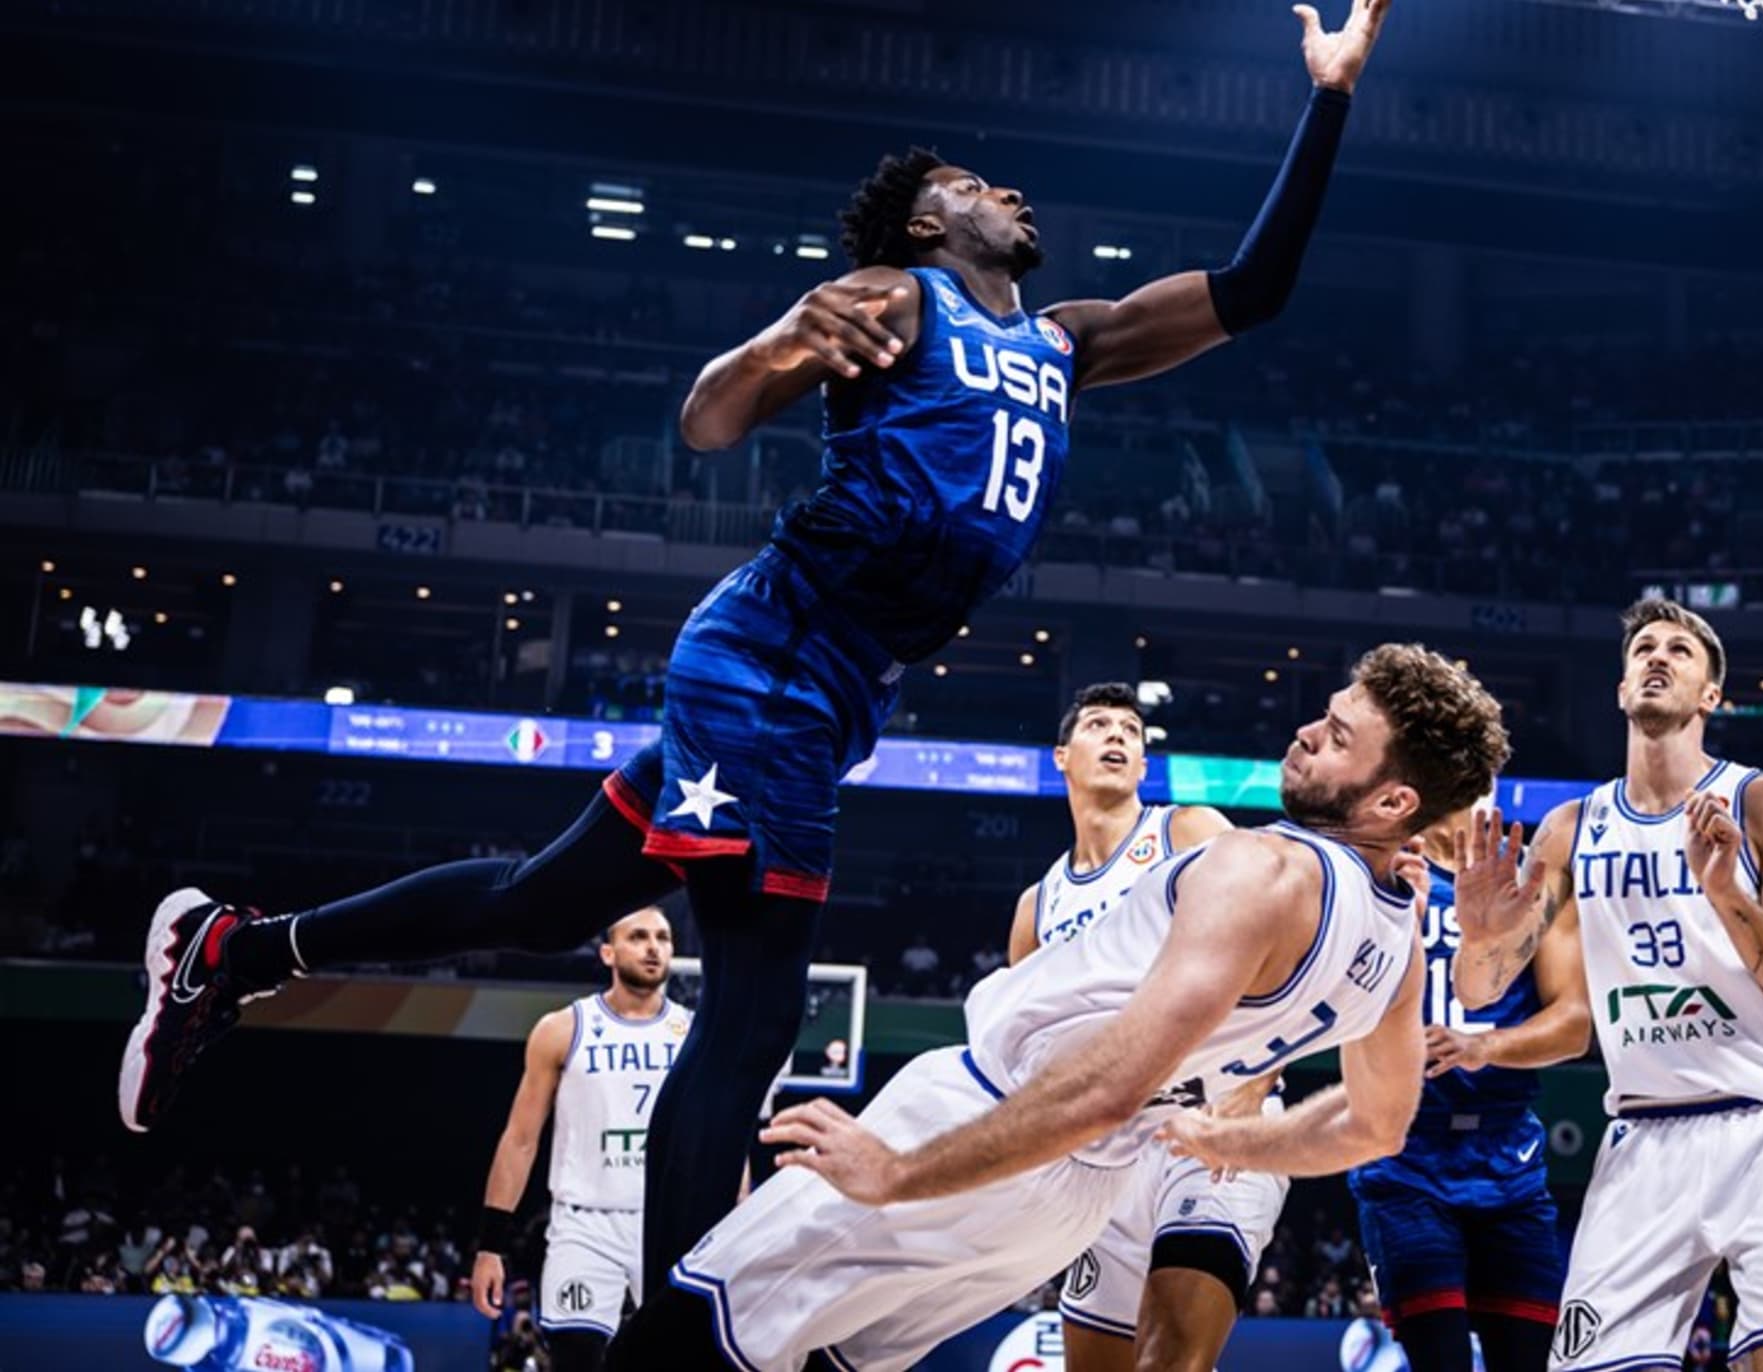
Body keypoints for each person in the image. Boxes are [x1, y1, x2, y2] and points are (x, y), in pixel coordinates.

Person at [117, 0, 1395, 1297]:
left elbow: (1255, 290)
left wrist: (1330, 94)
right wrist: (780, 341)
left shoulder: (1066, 339)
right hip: (771, 659)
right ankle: (682, 1334)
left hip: (827, 691)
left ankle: (237, 951)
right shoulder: (897, 297)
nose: (1006, 187)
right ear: (924, 224)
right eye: (971, 182)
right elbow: (708, 421)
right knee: (756, 1008)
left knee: (541, 902)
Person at [602, 643, 1508, 1372]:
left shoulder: (1259, 866)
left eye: (1339, 736)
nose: (1309, 732)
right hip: (1070, 1201)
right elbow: (1379, 1124)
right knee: (819, 1356)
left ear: (1393, 798)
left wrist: (898, 1169)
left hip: (993, 1116)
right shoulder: (1395, 933)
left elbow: (1109, 1085)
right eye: (1327, 714)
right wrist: (1231, 1141)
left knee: (677, 1336)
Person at [1450, 597, 1763, 1371]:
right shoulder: (1572, 826)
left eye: (1679, 651)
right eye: (1643, 651)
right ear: (1621, 688)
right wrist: (1482, 933)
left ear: (1710, 696)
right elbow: (1477, 989)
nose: (1657, 658)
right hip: (1644, 1133)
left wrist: (1726, 893)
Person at [1004, 682, 1260, 1372]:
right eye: (1098, 724)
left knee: (1175, 1353)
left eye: (1131, 730)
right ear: (1062, 757)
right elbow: (1028, 1053)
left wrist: (1254, 1084)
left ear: (1145, 764)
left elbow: (1276, 942)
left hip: (1208, 1123)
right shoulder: (1039, 905)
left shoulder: (1189, 833)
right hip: (1099, 1154)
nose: (1118, 735)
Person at [1346, 798, 1587, 1372]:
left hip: (1509, 1158)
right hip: (1405, 1157)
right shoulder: (1377, 868)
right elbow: (1327, 1004)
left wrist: (1485, 1046)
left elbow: (1575, 1025)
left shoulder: (1537, 877)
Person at [463, 909, 683, 1371]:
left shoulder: (695, 1033)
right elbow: (521, 1139)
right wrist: (490, 1245)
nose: (652, 947)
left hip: (668, 1224)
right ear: (608, 952)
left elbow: (724, 1139)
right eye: (638, 936)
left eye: (662, 937)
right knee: (577, 1360)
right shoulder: (562, 1028)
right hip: (585, 1225)